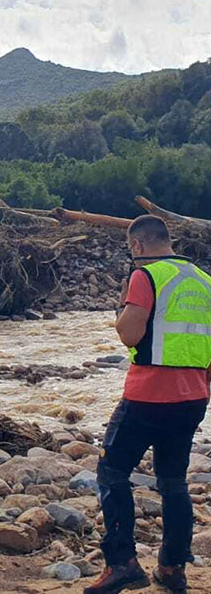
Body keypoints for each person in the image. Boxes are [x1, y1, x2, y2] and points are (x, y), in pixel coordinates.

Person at [85, 215, 211, 594]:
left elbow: (129, 333)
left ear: (137, 246)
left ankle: (123, 564)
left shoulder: (146, 276)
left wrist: (122, 305)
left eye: (131, 249)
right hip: (193, 397)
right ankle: (173, 569)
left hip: (148, 395)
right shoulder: (205, 281)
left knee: (112, 472)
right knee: (173, 482)